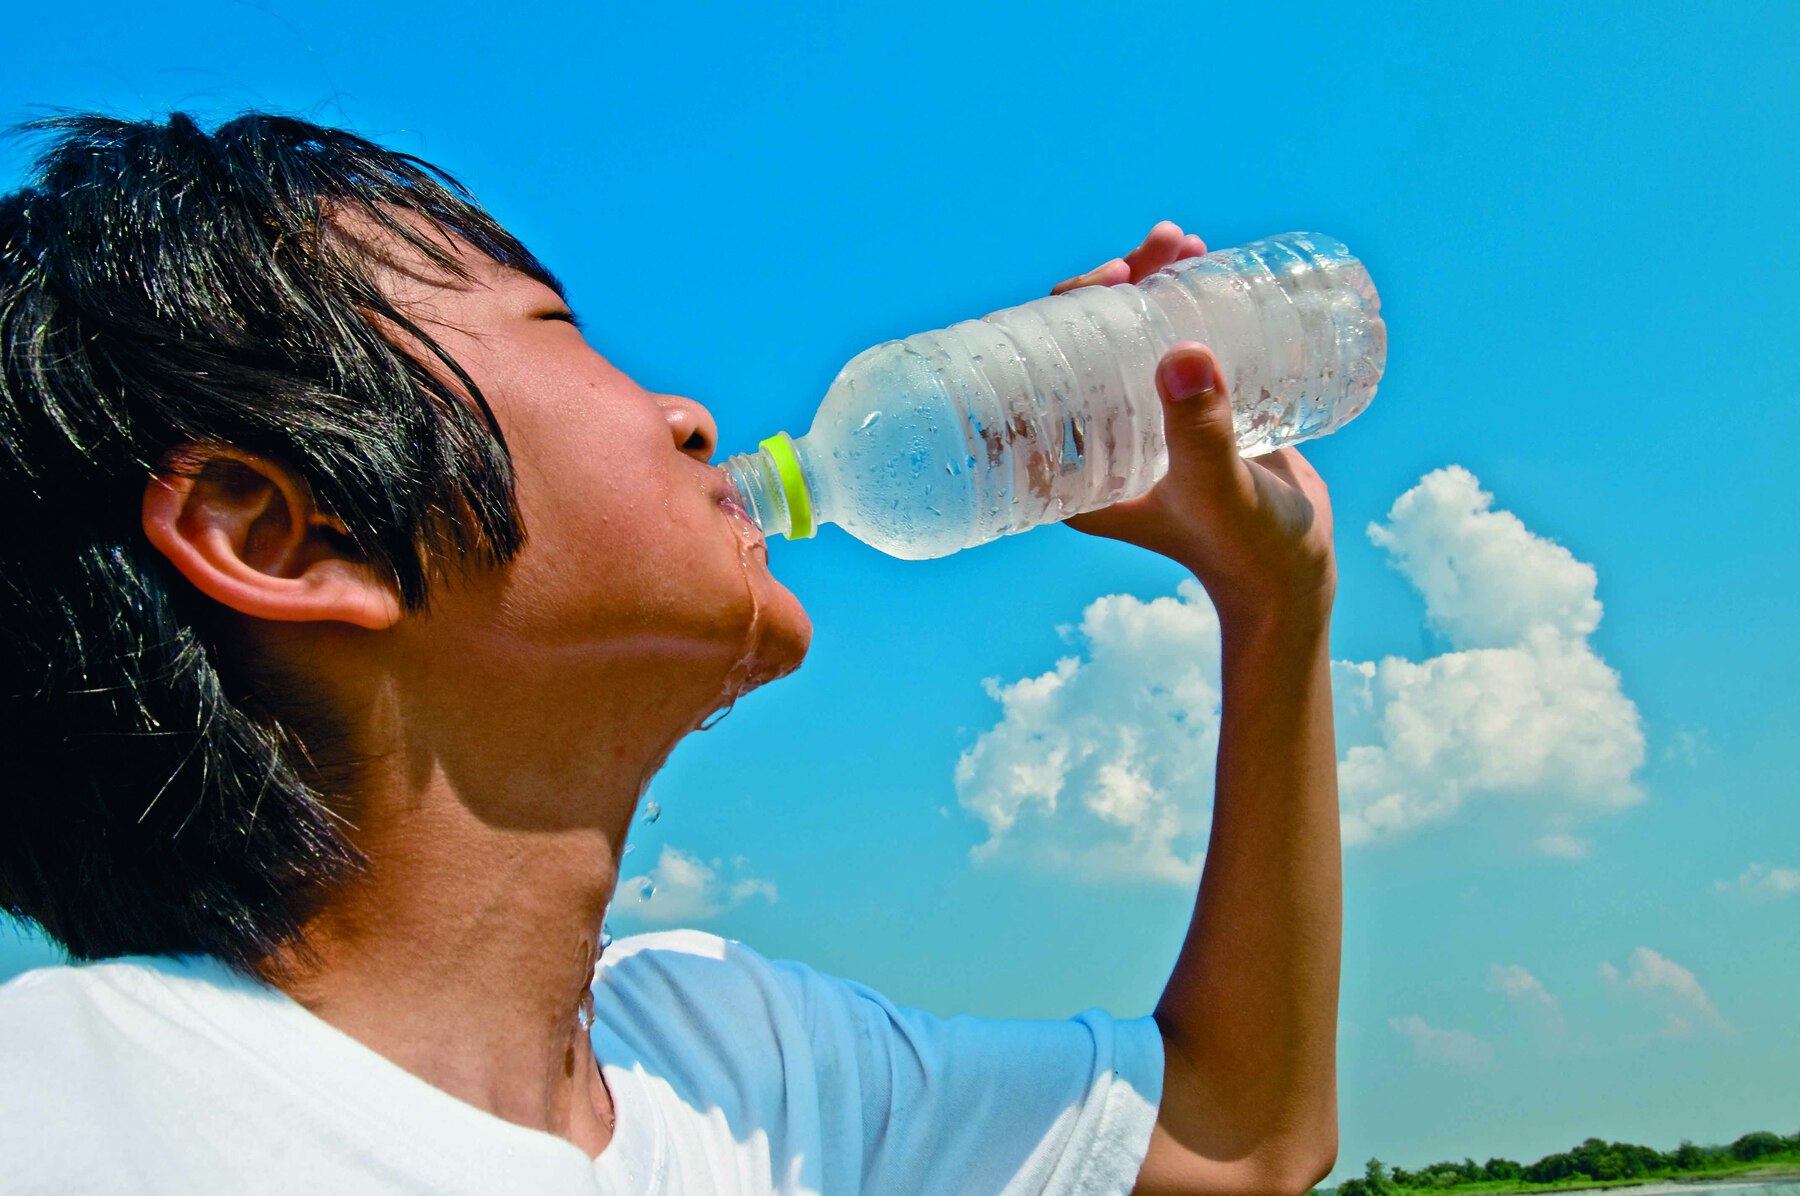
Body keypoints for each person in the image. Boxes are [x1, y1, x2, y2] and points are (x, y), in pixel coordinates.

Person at [0, 113, 1342, 1195]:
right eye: (554, 328)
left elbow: (1236, 1139)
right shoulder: (70, 1115)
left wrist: (1274, 603)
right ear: (292, 540)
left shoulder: (738, 1060)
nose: (693, 417)